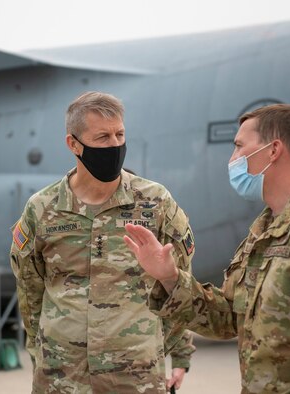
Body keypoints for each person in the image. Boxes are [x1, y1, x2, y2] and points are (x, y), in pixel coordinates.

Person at [124, 104, 290, 393]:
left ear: (273, 150)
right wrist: (169, 277)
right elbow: (228, 318)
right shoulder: (266, 228)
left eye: (239, 147)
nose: (233, 159)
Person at [10, 91, 195, 393]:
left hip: (135, 373)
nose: (115, 145)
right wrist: (41, 354)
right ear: (73, 144)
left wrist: (179, 354)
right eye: (102, 138)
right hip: (62, 375)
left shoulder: (154, 202)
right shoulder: (42, 209)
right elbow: (30, 291)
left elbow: (180, 282)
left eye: (119, 134)